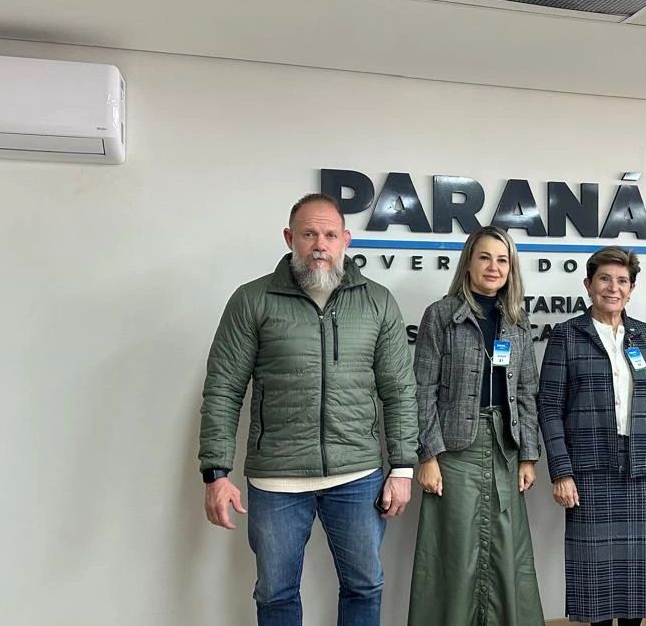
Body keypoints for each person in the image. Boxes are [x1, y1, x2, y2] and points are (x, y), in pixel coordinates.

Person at [197, 193, 418, 626]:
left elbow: (399, 389)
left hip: (357, 475)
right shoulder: (253, 299)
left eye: (330, 235)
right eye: (309, 234)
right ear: (289, 238)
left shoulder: (377, 302)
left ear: (345, 240)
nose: (320, 244)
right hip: (276, 478)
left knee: (365, 586)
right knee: (275, 594)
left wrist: (403, 467)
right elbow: (223, 389)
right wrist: (216, 473)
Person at [538, 246, 646, 626]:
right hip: (588, 472)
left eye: (622, 281)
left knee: (637, 579)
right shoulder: (567, 336)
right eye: (604, 279)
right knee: (596, 579)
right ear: (588, 284)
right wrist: (561, 471)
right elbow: (549, 407)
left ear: (631, 289)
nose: (613, 288)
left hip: (642, 470)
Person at [408, 225, 545, 626]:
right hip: (454, 452)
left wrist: (529, 456)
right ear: (468, 262)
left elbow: (526, 392)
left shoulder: (517, 321)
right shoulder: (440, 315)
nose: (493, 267)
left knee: (506, 552)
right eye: (484, 257)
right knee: (455, 552)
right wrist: (428, 456)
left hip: (506, 448)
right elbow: (422, 390)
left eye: (502, 260)